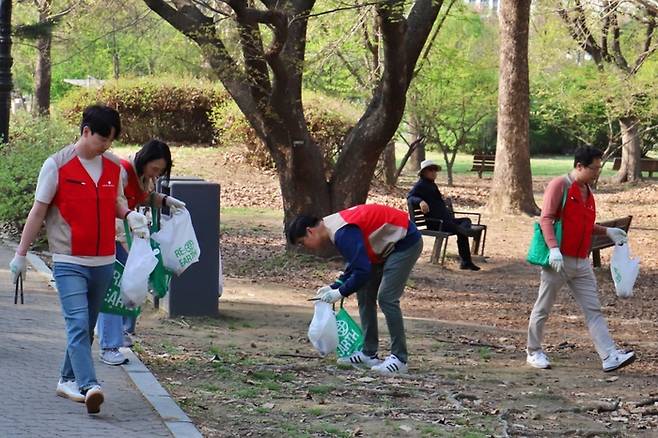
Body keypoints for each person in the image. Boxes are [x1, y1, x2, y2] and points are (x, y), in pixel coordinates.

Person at [9, 105, 150, 414]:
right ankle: (89, 385)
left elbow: (117, 203)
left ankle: (66, 379)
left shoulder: (114, 167)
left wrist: (130, 216)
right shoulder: (57, 165)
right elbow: (38, 211)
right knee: (76, 323)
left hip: (104, 261)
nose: (106, 146)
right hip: (69, 259)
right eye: (102, 139)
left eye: (111, 141)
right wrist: (21, 255)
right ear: (86, 132)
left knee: (86, 327)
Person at [526, 146, 636, 372]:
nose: (598, 172)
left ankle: (609, 356)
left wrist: (607, 231)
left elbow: (583, 225)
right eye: (594, 168)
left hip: (581, 262)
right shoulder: (560, 185)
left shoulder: (587, 191)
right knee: (543, 307)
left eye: (599, 168)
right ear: (579, 166)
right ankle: (533, 351)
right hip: (558, 261)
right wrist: (553, 249)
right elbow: (546, 218)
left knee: (593, 309)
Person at [287, 204, 422, 375]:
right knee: (364, 293)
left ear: (310, 231)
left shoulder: (341, 232)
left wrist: (340, 292)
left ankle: (399, 358)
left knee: (387, 298)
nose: (305, 247)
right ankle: (369, 352)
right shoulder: (333, 227)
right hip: (382, 247)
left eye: (302, 242)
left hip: (405, 241)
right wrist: (334, 286)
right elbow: (357, 263)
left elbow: (362, 271)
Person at [96, 139, 186, 366]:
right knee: (116, 289)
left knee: (132, 285)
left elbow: (145, 197)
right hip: (114, 236)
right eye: (154, 168)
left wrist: (166, 200)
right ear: (144, 160)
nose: (156, 174)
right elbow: (115, 203)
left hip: (131, 237)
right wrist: (127, 241)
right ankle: (110, 344)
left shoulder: (146, 178)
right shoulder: (122, 173)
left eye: (160, 171)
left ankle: (122, 332)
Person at [407, 159, 481, 270]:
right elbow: (410, 197)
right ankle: (466, 260)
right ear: (424, 172)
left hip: (446, 221)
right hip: (437, 223)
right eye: (431, 170)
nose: (434, 172)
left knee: (466, 221)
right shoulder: (421, 185)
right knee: (461, 230)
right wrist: (420, 202)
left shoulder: (432, 185)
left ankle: (465, 256)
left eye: (435, 170)